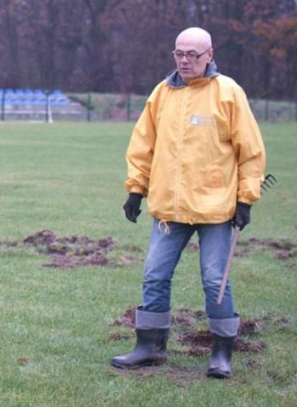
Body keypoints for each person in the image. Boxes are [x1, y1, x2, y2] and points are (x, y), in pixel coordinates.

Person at [111, 27, 266, 379]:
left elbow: (251, 150)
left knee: (215, 280)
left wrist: (246, 199)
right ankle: (149, 347)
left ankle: (221, 353)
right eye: (179, 53)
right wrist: (136, 189)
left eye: (193, 54)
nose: (185, 60)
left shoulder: (228, 92)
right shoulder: (162, 93)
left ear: (210, 54)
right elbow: (142, 145)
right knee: (154, 275)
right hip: (169, 209)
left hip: (216, 209)